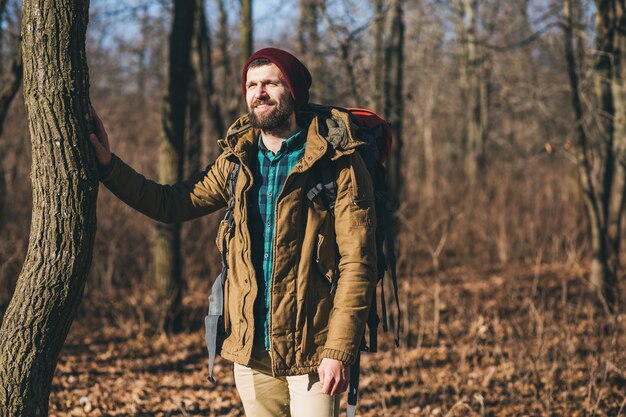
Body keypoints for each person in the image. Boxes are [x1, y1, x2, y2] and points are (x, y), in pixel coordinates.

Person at [90, 47, 377, 417]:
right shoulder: (237, 161)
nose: (259, 93)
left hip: (314, 349)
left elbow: (358, 263)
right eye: (251, 84)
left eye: (271, 83)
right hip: (250, 350)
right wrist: (109, 166)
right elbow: (171, 203)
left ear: (293, 93)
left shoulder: (337, 162)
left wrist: (338, 351)